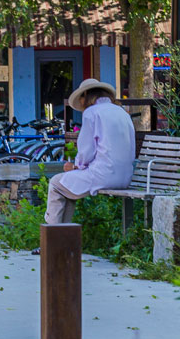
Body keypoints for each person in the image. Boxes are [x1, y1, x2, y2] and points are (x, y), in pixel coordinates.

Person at [42, 78, 135, 228]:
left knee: (56, 184)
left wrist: (74, 167)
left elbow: (86, 151)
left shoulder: (92, 113)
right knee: (67, 187)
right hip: (125, 176)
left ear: (85, 95)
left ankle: (52, 237)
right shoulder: (122, 112)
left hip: (103, 175)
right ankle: (62, 236)